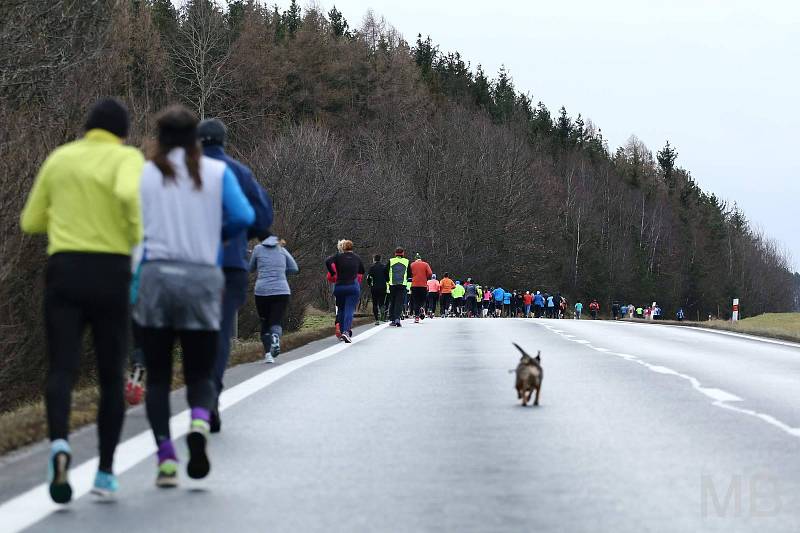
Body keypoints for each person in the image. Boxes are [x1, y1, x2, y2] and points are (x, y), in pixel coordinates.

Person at [21, 98, 144, 502]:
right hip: (110, 272)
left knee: (61, 368)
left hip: (65, 270)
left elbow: (30, 221)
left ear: (87, 127)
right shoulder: (126, 159)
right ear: (122, 133)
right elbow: (129, 195)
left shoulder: (61, 158)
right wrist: (134, 234)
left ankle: (59, 445)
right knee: (111, 375)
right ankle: (105, 472)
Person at [135, 105, 254, 488]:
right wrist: (214, 236)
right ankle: (200, 422)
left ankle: (166, 458)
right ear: (194, 138)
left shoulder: (146, 173)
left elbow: (133, 226)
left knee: (157, 376)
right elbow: (243, 216)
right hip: (202, 275)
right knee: (199, 368)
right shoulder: (217, 172)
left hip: (156, 275)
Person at [198, 118, 272, 434]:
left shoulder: (184, 171)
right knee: (221, 331)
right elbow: (263, 214)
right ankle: (210, 393)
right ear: (224, 142)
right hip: (230, 263)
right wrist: (247, 233)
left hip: (192, 262)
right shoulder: (239, 172)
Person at [249, 234, 298, 363]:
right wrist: (281, 274)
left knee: (264, 322)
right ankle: (276, 337)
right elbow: (294, 267)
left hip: (262, 291)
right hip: (281, 291)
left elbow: (251, 268)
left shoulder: (258, 249)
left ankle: (268, 355)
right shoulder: (282, 249)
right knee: (275, 320)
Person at [325, 240, 365, 342]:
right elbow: (362, 271)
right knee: (349, 310)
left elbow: (327, 261)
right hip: (352, 286)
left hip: (339, 286)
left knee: (341, 309)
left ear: (343, 247)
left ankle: (342, 330)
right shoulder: (357, 258)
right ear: (352, 247)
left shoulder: (338, 257)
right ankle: (346, 332)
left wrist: (333, 272)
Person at [387, 248, 410, 326]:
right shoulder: (407, 261)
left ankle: (393, 319)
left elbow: (385, 271)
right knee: (399, 302)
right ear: (403, 253)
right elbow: (410, 273)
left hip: (392, 284)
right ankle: (397, 318)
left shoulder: (391, 261)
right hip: (402, 285)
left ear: (395, 253)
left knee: (392, 301)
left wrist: (388, 280)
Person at [409, 253, 432, 323]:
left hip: (414, 285)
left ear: (415, 259)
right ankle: (422, 307)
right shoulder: (425, 264)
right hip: (423, 285)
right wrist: (426, 276)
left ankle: (416, 317)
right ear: (420, 259)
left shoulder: (412, 265)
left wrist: (413, 276)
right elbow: (430, 273)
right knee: (422, 300)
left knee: (416, 301)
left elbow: (409, 273)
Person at [367, 254, 388, 325]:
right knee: (382, 302)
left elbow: (369, 278)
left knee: (375, 303)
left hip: (374, 287)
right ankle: (383, 315)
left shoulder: (372, 268)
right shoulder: (384, 267)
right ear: (380, 259)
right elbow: (387, 277)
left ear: (374, 259)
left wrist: (369, 284)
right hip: (383, 287)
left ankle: (376, 319)